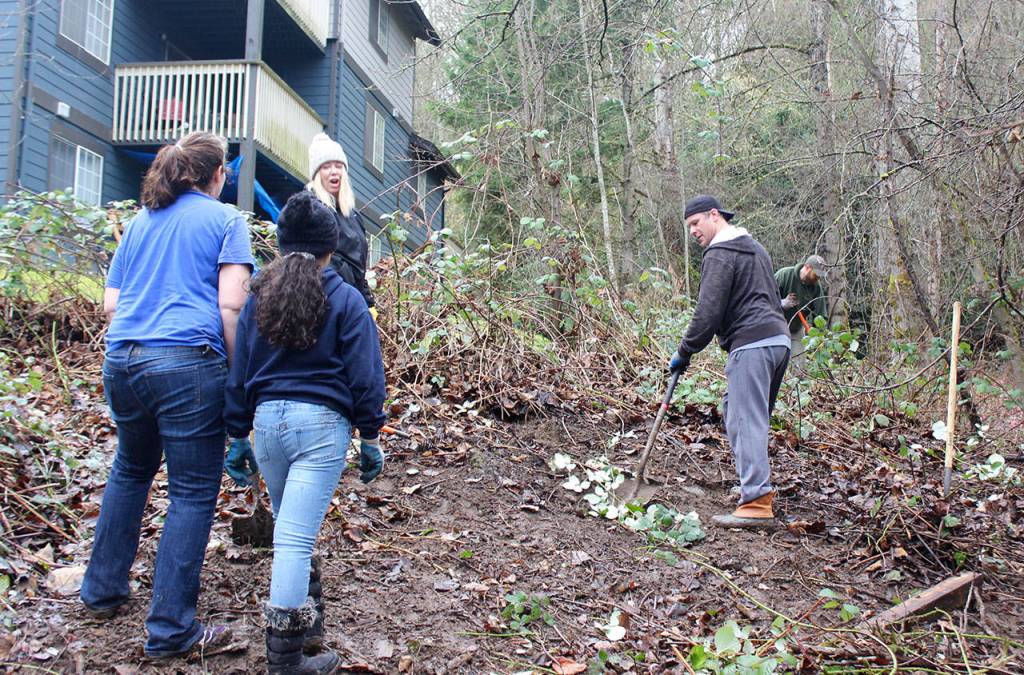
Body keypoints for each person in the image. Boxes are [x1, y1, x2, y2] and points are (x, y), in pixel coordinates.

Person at [80, 132, 253, 658]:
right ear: (217, 175)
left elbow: (111, 303)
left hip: (124, 358)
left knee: (131, 470)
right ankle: (172, 629)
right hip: (186, 364)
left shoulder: (138, 223)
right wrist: (237, 378)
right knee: (193, 492)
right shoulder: (227, 221)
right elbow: (231, 308)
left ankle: (102, 590)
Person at [223, 190, 387, 673]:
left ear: (279, 244)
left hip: (268, 427)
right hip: (320, 429)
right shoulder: (345, 298)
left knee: (294, 529)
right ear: (330, 248)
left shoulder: (260, 297)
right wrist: (371, 435)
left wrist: (237, 434)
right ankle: (285, 662)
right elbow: (365, 374)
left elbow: (240, 369)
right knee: (293, 539)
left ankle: (308, 624)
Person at [670, 195, 790, 529]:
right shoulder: (754, 247)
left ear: (714, 215)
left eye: (696, 223)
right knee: (739, 413)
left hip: (752, 344)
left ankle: (755, 503)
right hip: (778, 342)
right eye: (689, 226)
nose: (693, 232)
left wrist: (685, 350)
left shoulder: (721, 252)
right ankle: (755, 487)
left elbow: (708, 313)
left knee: (745, 419)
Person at [306, 132, 377, 320]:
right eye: (326, 167)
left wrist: (368, 304)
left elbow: (359, 268)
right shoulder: (311, 209)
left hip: (352, 304)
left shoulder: (353, 215)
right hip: (325, 304)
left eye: (338, 166)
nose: (333, 171)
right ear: (316, 174)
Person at [775, 255, 829, 360]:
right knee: (774, 362)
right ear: (807, 267)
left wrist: (818, 336)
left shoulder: (816, 288)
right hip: (774, 329)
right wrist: (781, 303)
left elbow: (821, 315)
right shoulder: (784, 275)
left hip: (795, 330)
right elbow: (764, 300)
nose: (818, 278)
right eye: (816, 274)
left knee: (799, 365)